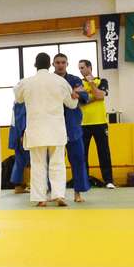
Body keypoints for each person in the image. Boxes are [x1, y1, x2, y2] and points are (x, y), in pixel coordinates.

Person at [15, 53, 78, 207]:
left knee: (38, 164)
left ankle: (40, 198)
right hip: (56, 129)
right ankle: (59, 195)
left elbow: (18, 98)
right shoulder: (60, 81)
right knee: (58, 163)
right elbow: (71, 104)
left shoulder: (26, 82)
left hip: (36, 130)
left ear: (35, 64)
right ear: (50, 64)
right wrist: (76, 96)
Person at [54, 53, 90, 202]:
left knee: (78, 159)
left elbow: (85, 97)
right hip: (54, 125)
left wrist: (78, 95)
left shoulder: (75, 80)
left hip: (72, 125)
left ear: (67, 64)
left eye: (63, 62)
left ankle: (78, 193)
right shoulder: (50, 81)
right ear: (53, 64)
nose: (60, 65)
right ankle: (54, 193)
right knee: (54, 162)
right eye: (57, 62)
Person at [78, 60, 115, 189]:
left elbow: (100, 95)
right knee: (82, 153)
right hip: (83, 124)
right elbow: (80, 102)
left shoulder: (102, 81)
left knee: (104, 152)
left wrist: (92, 84)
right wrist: (95, 96)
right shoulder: (78, 83)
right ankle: (84, 180)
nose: (81, 70)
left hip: (100, 123)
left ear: (89, 67)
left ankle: (108, 180)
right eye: (79, 68)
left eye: (82, 67)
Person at [8, 101, 30, 193]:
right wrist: (22, 134)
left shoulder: (16, 102)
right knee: (29, 160)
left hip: (15, 133)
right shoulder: (22, 102)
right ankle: (24, 185)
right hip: (21, 135)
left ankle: (18, 186)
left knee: (19, 160)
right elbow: (22, 119)